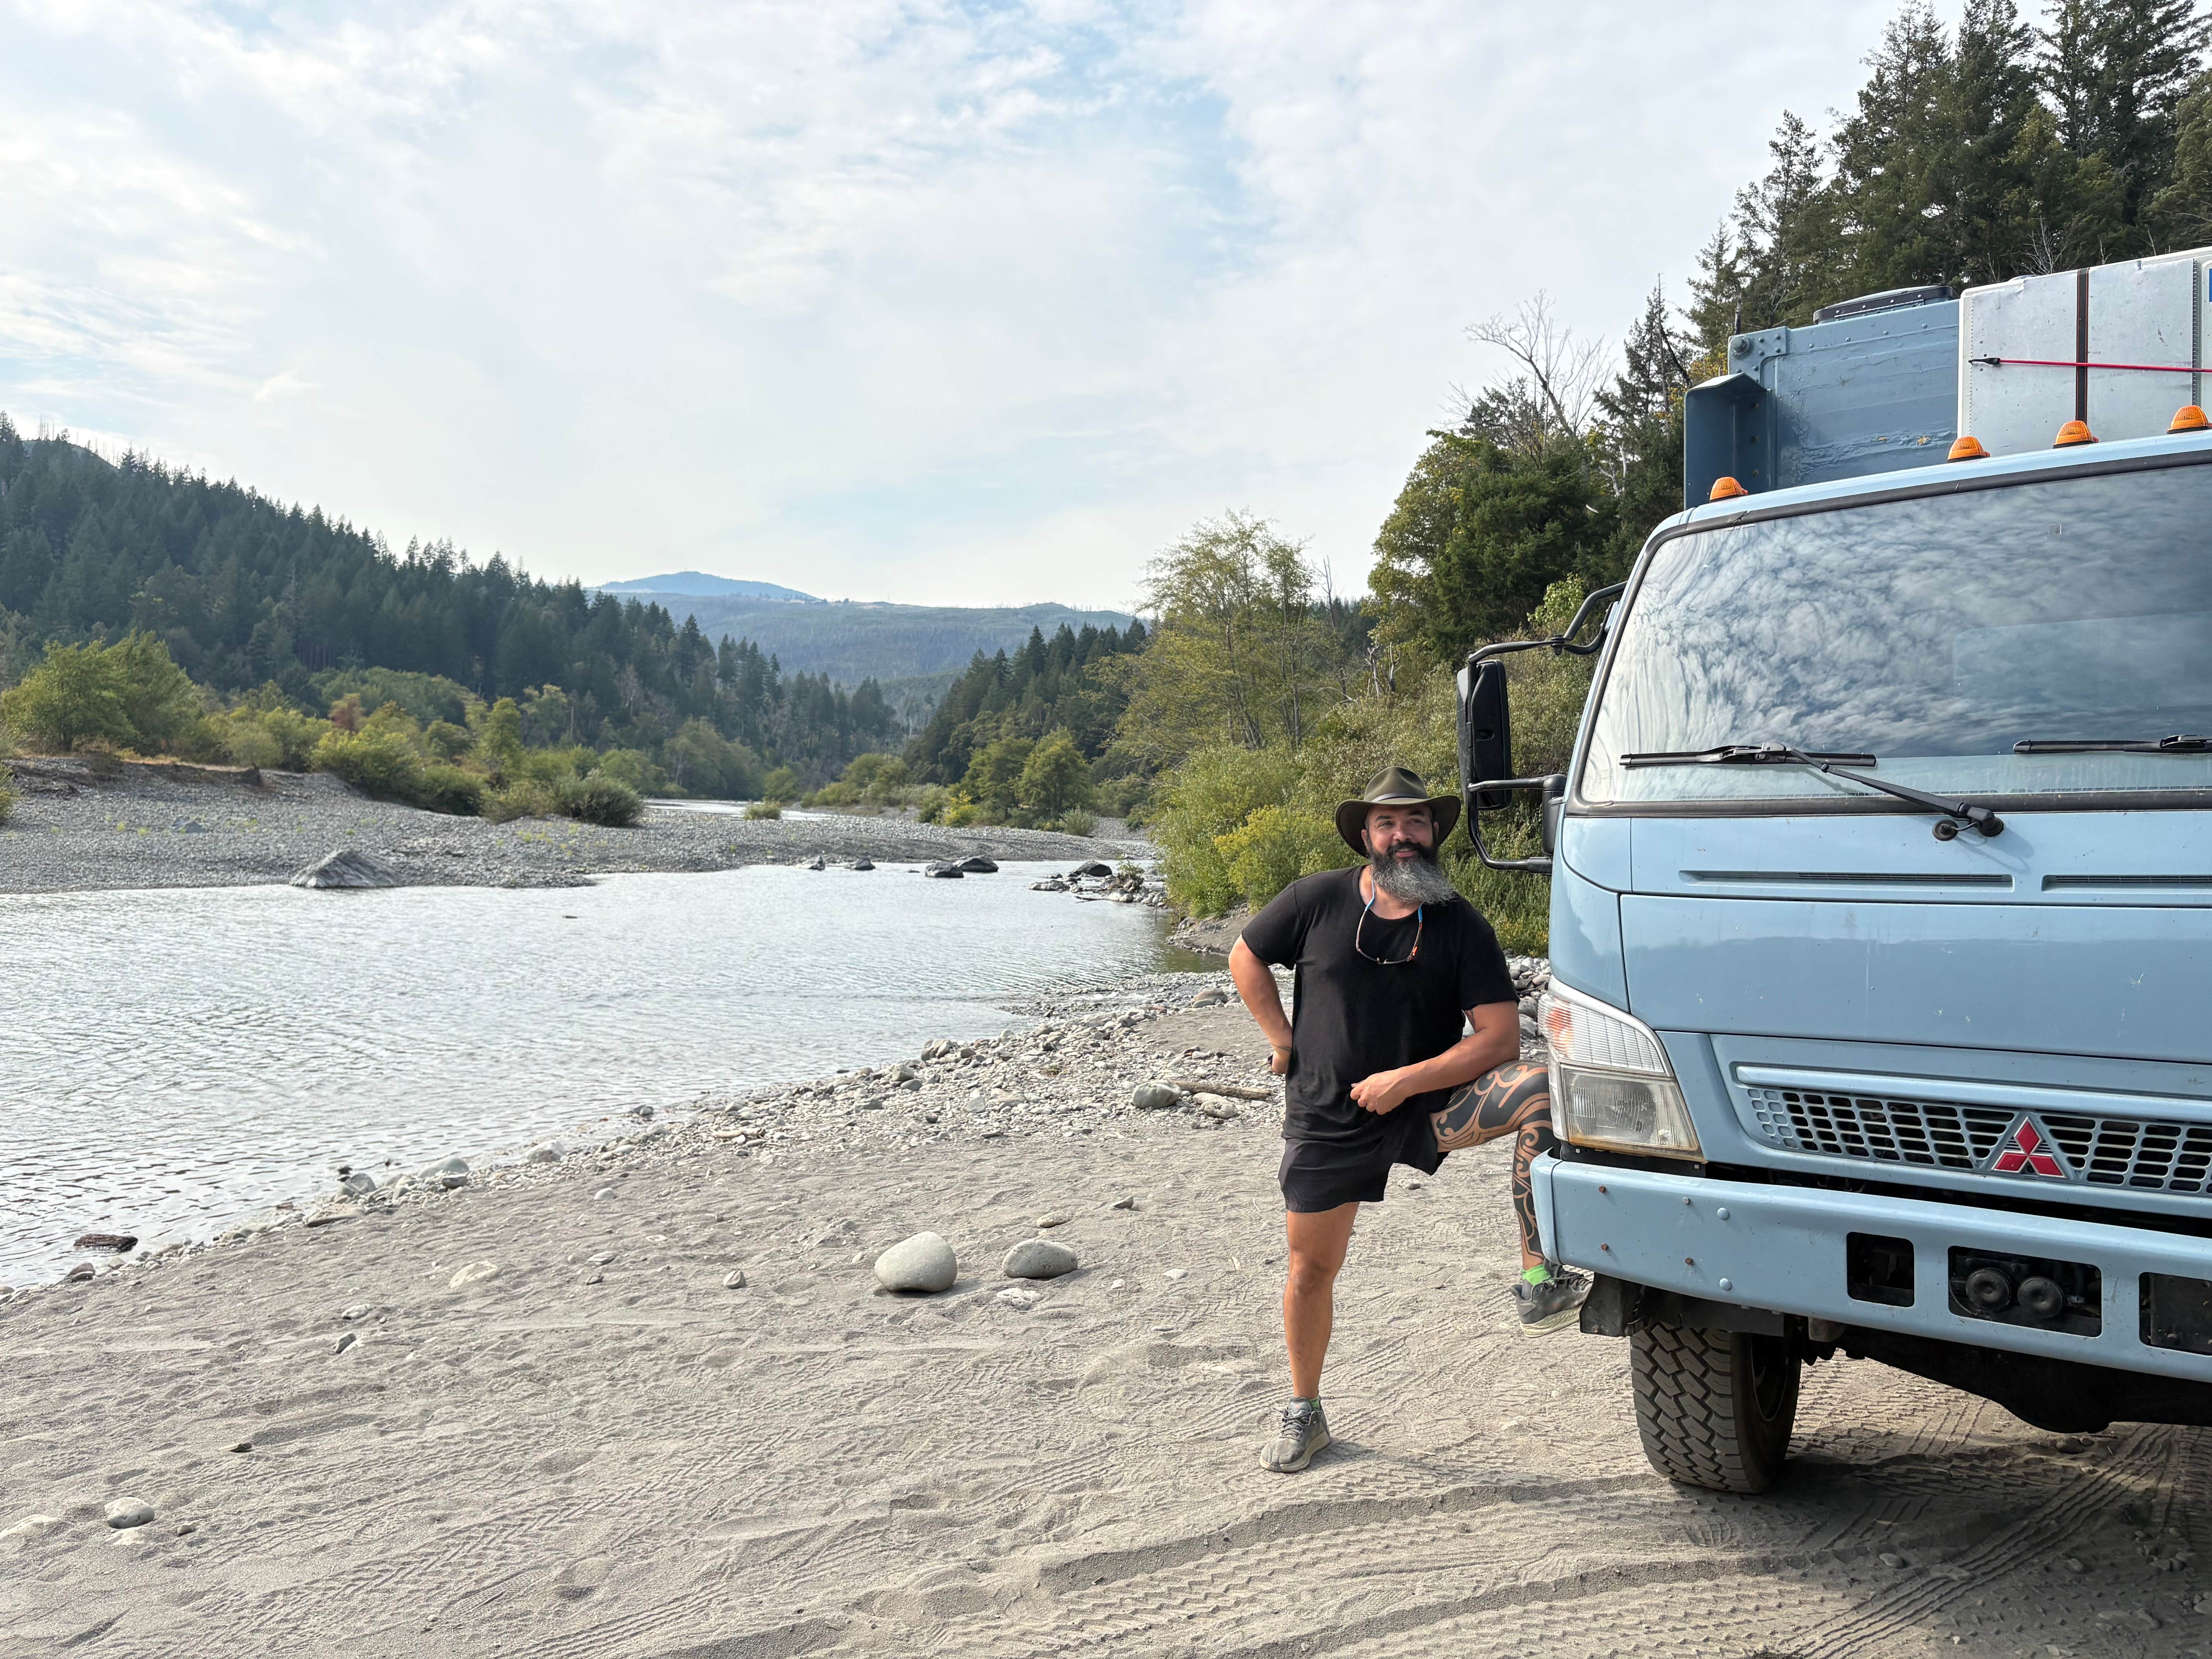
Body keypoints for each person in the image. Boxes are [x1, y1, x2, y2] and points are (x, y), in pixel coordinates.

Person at [1227, 764, 1589, 1474]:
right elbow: (1246, 954)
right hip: (1331, 1114)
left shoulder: (1458, 923)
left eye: (1416, 823)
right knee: (1311, 1269)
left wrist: (1407, 1081)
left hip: (1428, 1105)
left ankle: (1539, 1277)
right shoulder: (1316, 899)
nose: (1403, 836)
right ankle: (1306, 1409)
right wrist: (1282, 1040)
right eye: (1388, 824)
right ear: (1366, 835)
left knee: (1542, 1085)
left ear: (1432, 834)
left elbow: (1497, 1039)